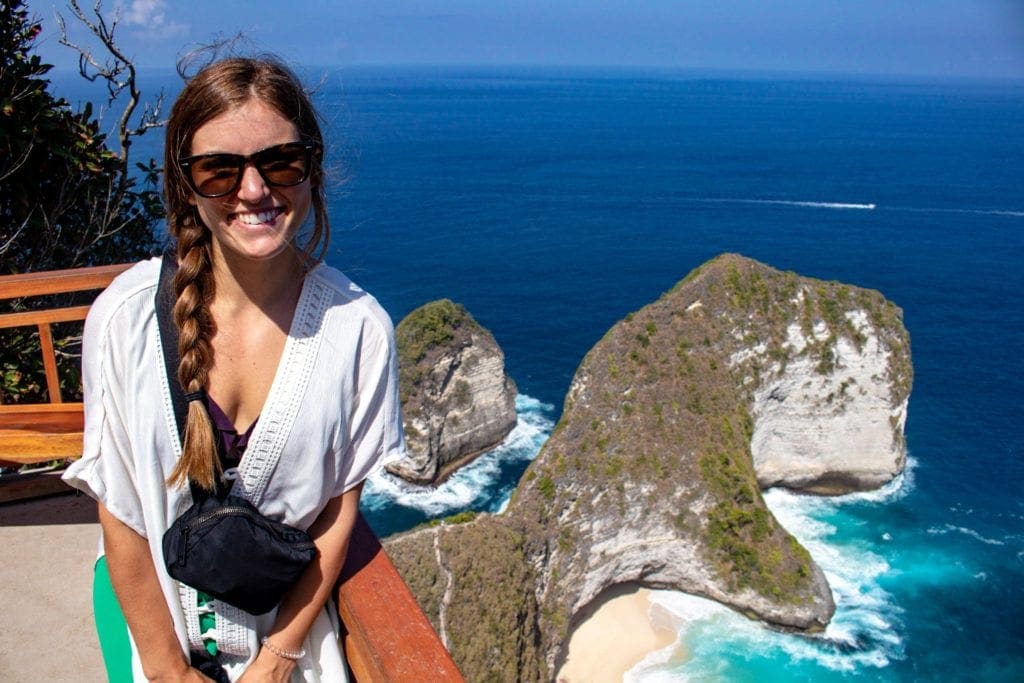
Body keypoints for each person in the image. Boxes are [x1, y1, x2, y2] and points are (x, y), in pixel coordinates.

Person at [63, 56, 405, 682]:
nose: (254, 191)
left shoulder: (358, 331)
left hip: (292, 655)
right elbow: (119, 510)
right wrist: (169, 670)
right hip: (156, 644)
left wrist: (277, 658)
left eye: (280, 161)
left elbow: (336, 515)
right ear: (186, 184)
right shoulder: (125, 320)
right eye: (220, 169)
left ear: (312, 169)